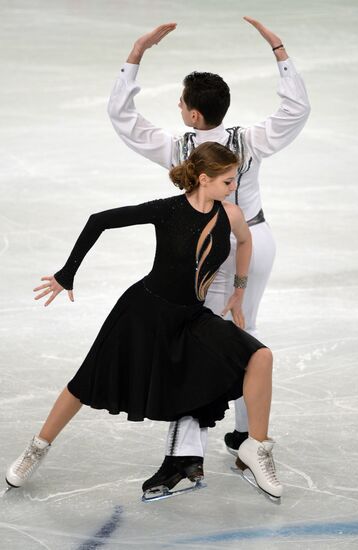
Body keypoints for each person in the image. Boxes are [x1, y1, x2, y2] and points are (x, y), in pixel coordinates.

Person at [6, 142, 282, 499]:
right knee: (85, 384)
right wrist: (67, 273)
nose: (234, 187)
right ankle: (37, 448)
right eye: (228, 181)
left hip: (191, 320)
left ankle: (255, 447)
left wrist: (240, 290)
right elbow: (98, 221)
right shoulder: (167, 211)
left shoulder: (232, 215)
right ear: (204, 179)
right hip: (141, 314)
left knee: (260, 357)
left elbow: (245, 244)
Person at [107, 17, 310, 489]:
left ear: (195, 116)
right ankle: (244, 437)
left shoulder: (180, 151)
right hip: (258, 243)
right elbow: (296, 109)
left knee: (200, 342)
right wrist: (278, 47)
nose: (178, 106)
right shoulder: (251, 140)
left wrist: (137, 51)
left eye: (181, 102)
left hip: (213, 252)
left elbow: (123, 120)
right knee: (246, 329)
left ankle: (188, 457)